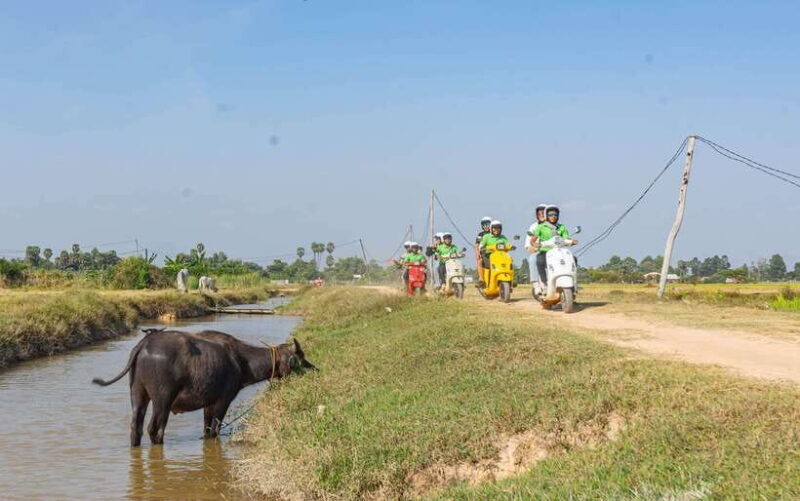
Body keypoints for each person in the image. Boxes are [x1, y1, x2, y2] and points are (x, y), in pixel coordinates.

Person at [530, 205, 577, 285]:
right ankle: (544, 282)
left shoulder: (561, 227)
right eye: (551, 214)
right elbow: (533, 240)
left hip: (560, 251)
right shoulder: (541, 227)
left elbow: (566, 238)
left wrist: (572, 241)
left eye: (555, 215)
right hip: (545, 251)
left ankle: (573, 281)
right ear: (546, 215)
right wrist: (535, 244)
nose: (553, 216)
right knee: (540, 260)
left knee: (573, 259)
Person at [526, 204, 548, 284]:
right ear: (537, 215)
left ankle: (572, 284)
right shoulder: (533, 227)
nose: (541, 215)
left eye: (544, 213)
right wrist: (535, 248)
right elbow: (529, 246)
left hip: (554, 252)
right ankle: (536, 284)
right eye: (539, 214)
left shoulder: (555, 226)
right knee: (533, 259)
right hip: (540, 251)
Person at [474, 217, 492, 285]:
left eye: (487, 224)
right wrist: (477, 253)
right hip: (484, 253)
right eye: (484, 224)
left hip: (494, 252)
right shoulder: (480, 234)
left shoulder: (495, 233)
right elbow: (476, 245)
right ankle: (481, 279)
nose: (486, 226)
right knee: (479, 261)